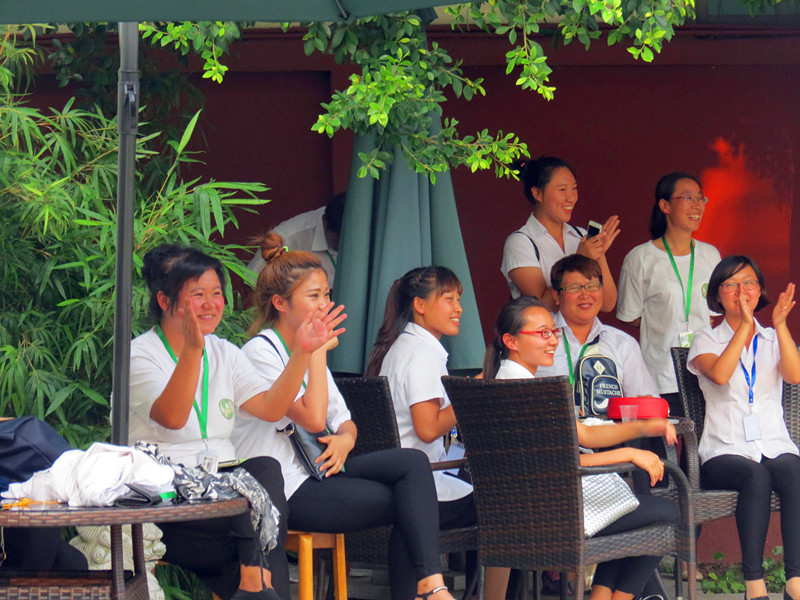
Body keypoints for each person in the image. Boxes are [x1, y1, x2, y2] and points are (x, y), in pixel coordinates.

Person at [233, 235, 462, 600]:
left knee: (412, 464)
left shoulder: (309, 348)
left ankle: (430, 585)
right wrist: (317, 352)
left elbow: (344, 420)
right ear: (280, 303)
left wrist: (345, 440)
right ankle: (426, 591)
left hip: (321, 469)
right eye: (314, 296)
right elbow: (313, 418)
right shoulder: (260, 353)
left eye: (327, 294)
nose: (325, 305)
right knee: (414, 503)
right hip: (287, 484)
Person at [129, 244, 344, 600]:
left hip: (224, 506)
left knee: (264, 474)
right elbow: (173, 417)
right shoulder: (139, 355)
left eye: (217, 293)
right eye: (198, 295)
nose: (211, 304)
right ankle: (256, 579)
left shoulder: (225, 352)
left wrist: (303, 352)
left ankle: (254, 580)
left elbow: (272, 408)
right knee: (260, 525)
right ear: (165, 301)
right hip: (169, 505)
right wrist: (193, 351)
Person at [483, 295, 680, 600]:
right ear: (511, 341)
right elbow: (567, 462)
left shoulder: (503, 383)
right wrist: (630, 452)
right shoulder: (530, 392)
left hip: (521, 511)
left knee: (639, 514)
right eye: (542, 333)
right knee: (667, 513)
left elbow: (584, 434)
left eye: (553, 331)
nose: (552, 341)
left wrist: (644, 427)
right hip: (558, 513)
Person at [366, 266, 510, 600]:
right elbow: (428, 428)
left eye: (458, 299)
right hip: (424, 483)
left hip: (405, 480)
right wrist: (470, 393)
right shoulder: (421, 355)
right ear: (420, 305)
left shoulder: (404, 346)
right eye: (448, 299)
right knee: (506, 506)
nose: (458, 308)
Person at [687, 255, 800, 600]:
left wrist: (780, 325)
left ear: (760, 290)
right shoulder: (706, 339)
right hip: (724, 450)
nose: (741, 291)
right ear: (717, 295)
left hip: (773, 443)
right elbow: (720, 375)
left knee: (794, 471)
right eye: (731, 285)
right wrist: (744, 328)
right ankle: (754, 583)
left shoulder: (772, 338)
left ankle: (795, 580)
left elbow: (795, 375)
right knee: (756, 476)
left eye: (749, 283)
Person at [617, 172, 722, 416]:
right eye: (687, 197)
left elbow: (714, 311)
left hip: (706, 373)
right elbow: (629, 315)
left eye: (700, 198)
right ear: (664, 206)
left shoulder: (710, 255)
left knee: (703, 439)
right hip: (661, 375)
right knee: (667, 437)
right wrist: (662, 319)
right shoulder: (641, 258)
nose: (697, 205)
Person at [501, 156, 620, 312]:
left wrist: (599, 255)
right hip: (547, 328)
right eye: (563, 189)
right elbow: (543, 306)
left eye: (574, 188)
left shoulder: (580, 236)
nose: (571, 198)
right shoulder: (520, 242)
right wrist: (580, 259)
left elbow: (607, 304)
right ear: (538, 194)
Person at [536, 255, 659, 398]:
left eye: (592, 287)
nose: (585, 294)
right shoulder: (537, 338)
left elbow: (646, 400)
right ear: (556, 295)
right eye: (574, 288)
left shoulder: (623, 344)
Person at [247, 193, 345, 288]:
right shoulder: (287, 238)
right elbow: (251, 283)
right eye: (339, 240)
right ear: (324, 223)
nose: (345, 245)